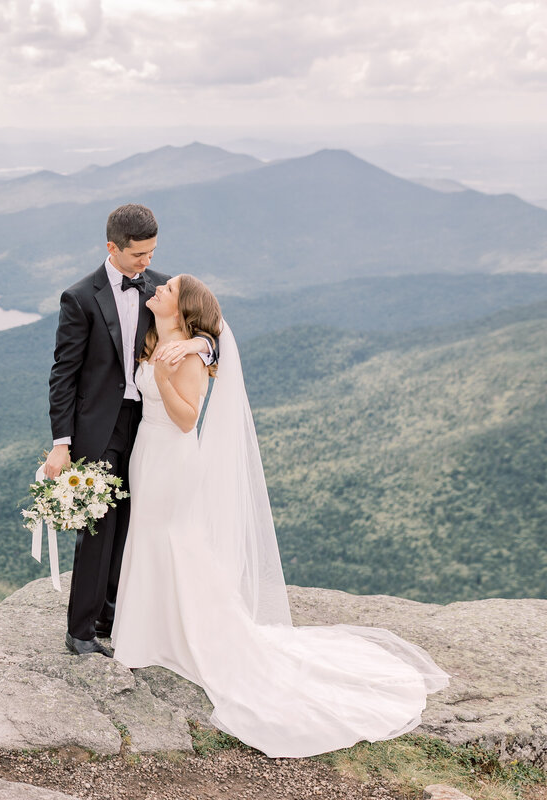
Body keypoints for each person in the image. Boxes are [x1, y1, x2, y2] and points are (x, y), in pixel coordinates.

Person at [111, 273, 449, 758]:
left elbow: (187, 418)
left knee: (171, 537)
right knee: (149, 536)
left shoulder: (188, 351)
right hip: (148, 451)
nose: (158, 289)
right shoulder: (160, 338)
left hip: (174, 455)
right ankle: (149, 630)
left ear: (183, 310)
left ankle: (181, 635)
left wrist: (167, 371)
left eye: (168, 290)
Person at [45, 204, 215, 657]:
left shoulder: (161, 288)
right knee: (100, 526)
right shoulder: (79, 297)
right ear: (112, 248)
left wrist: (200, 344)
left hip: (151, 428)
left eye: (152, 252)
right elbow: (63, 375)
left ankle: (112, 613)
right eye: (139, 254)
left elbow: (211, 327)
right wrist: (62, 443)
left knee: (136, 524)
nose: (147, 263)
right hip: (99, 428)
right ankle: (79, 631)